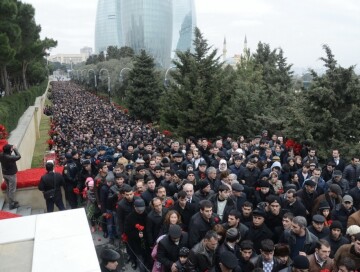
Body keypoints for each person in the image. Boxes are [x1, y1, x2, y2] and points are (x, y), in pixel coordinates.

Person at [0, 144, 21, 209]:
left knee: (9, 188)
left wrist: (11, 149)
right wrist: (15, 149)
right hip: (11, 175)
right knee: (12, 189)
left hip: (5, 174)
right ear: (9, 150)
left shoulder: (1, 154)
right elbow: (19, 156)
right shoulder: (9, 157)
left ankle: (11, 201)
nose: (12, 149)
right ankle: (11, 204)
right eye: (11, 149)